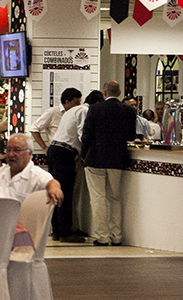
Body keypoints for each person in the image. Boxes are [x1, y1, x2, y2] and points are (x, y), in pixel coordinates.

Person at [81, 80, 136, 246]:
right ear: (119, 93)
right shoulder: (129, 110)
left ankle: (102, 237)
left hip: (95, 158)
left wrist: (84, 155)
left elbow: (86, 135)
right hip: (117, 159)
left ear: (104, 93)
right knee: (115, 198)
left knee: (98, 198)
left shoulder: (95, 109)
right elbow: (131, 136)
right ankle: (116, 236)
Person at [47, 90, 105, 242]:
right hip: (65, 153)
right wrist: (87, 153)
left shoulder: (72, 110)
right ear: (97, 103)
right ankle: (66, 233)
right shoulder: (85, 111)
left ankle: (58, 230)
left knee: (57, 192)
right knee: (65, 192)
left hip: (55, 149)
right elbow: (82, 134)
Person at [0, 133, 64, 205]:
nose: (11, 154)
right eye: (8, 150)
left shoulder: (36, 174)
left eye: (17, 150)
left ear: (29, 153)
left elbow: (51, 182)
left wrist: (54, 189)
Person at [29, 87, 82, 152]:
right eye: (76, 103)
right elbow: (34, 129)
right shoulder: (52, 112)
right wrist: (44, 147)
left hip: (73, 152)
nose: (79, 105)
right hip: (58, 150)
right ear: (67, 102)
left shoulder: (77, 114)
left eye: (80, 102)